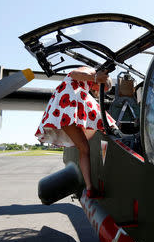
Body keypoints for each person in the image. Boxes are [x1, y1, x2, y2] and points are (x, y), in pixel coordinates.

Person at [35, 66, 116, 198]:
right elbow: (73, 74)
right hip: (67, 106)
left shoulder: (85, 86)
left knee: (84, 148)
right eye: (100, 87)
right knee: (103, 121)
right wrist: (95, 77)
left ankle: (90, 188)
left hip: (68, 108)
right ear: (101, 81)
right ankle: (112, 129)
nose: (96, 90)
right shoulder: (91, 71)